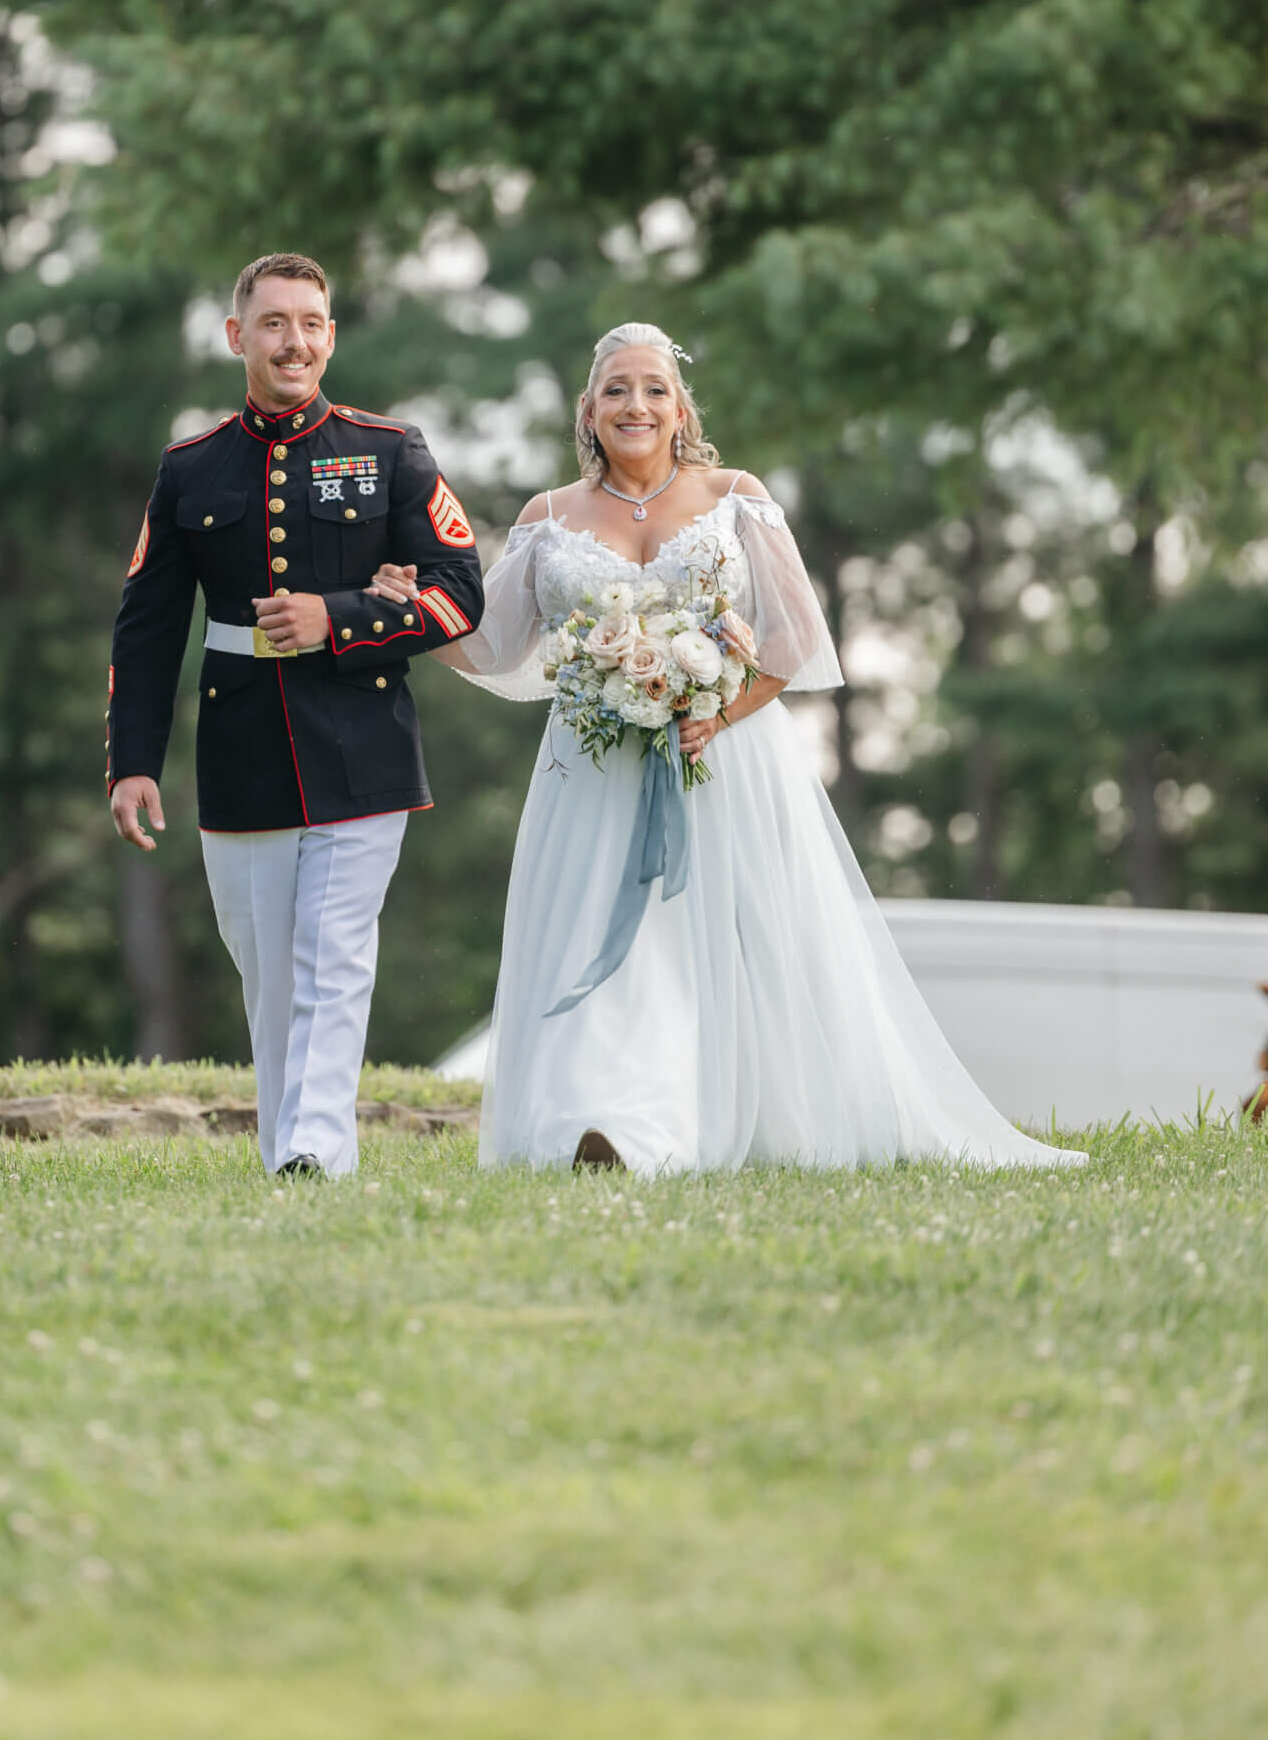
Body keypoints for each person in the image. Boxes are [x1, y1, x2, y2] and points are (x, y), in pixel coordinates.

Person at [372, 322, 1086, 1177]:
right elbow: (493, 647)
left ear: (681, 411)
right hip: (591, 771)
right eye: (615, 390)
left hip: (723, 760)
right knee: (605, 940)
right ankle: (606, 1124)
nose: (635, 404)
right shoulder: (546, 517)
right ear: (587, 411)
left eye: (654, 389)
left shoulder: (736, 497)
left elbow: (792, 639)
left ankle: (745, 1116)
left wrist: (718, 711)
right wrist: (411, 611)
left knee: (728, 943)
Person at [106, 253, 485, 1179]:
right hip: (240, 750)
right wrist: (132, 760)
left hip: (363, 742)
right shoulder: (189, 468)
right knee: (269, 974)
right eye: (274, 323)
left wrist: (339, 618)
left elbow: (460, 592)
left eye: (311, 323)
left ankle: (315, 1149)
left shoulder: (389, 450)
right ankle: (290, 1154)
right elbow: (147, 626)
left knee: (332, 957)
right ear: (237, 336)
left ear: (331, 337)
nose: (295, 342)